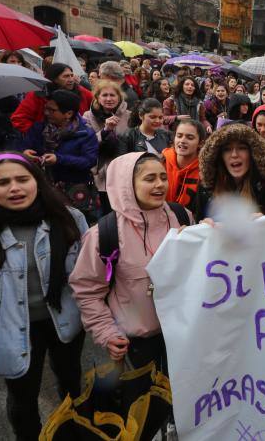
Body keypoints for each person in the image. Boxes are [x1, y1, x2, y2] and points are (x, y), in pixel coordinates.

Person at [0, 152, 88, 440]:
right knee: (23, 399)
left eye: (22, 179)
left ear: (37, 181)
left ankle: (73, 432)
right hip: (11, 326)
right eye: (3, 182)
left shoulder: (68, 218)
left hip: (64, 320)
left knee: (71, 382)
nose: (15, 188)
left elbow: (90, 270)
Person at [70, 153, 193, 373]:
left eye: (163, 177)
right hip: (137, 345)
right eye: (149, 179)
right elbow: (87, 291)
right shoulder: (104, 235)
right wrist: (107, 333)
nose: (159, 185)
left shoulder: (183, 217)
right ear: (127, 184)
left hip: (184, 337)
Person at [195, 123, 265, 220]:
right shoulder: (206, 188)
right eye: (227, 149)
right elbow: (196, 227)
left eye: (242, 148)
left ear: (253, 153)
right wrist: (202, 226)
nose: (234, 154)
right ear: (219, 156)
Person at [20, 90, 98, 188]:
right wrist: (24, 153)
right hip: (41, 185)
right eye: (46, 109)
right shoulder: (39, 128)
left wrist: (59, 159)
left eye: (52, 110)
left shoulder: (85, 134)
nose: (46, 113)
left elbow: (89, 161)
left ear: (68, 114)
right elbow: (23, 147)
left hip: (73, 189)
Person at [82, 80, 131, 215]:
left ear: (119, 97)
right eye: (104, 95)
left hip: (123, 172)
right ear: (97, 97)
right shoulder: (88, 116)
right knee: (104, 214)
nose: (109, 99)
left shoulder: (129, 116)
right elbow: (86, 143)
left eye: (112, 95)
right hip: (100, 173)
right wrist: (105, 131)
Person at [11, 63, 94, 133]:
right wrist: (38, 135)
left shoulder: (82, 92)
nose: (71, 79)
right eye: (66, 76)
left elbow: (96, 104)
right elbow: (18, 119)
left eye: (72, 75)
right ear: (54, 79)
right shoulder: (37, 95)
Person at [162, 119, 205, 213]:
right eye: (179, 136)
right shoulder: (160, 162)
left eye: (190, 137)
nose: (182, 141)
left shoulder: (206, 171)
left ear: (200, 143)